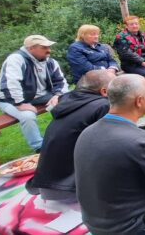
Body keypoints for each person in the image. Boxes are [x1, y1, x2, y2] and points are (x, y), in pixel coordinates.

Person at [74, 74, 145, 235]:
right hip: (132, 227)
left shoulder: (86, 133)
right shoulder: (142, 141)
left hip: (95, 223)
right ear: (139, 101)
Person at [27, 70, 114, 203]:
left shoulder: (67, 99)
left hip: (47, 182)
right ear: (104, 91)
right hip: (71, 187)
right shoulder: (102, 105)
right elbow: (110, 147)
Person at [0, 35, 69, 152]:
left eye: (48, 47)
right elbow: (11, 83)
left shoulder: (50, 61)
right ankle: (40, 148)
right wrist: (20, 104)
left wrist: (58, 95)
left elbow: (60, 81)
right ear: (31, 48)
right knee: (27, 116)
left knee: (69, 101)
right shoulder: (16, 59)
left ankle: (66, 136)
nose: (49, 50)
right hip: (10, 99)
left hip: (40, 96)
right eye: (44, 47)